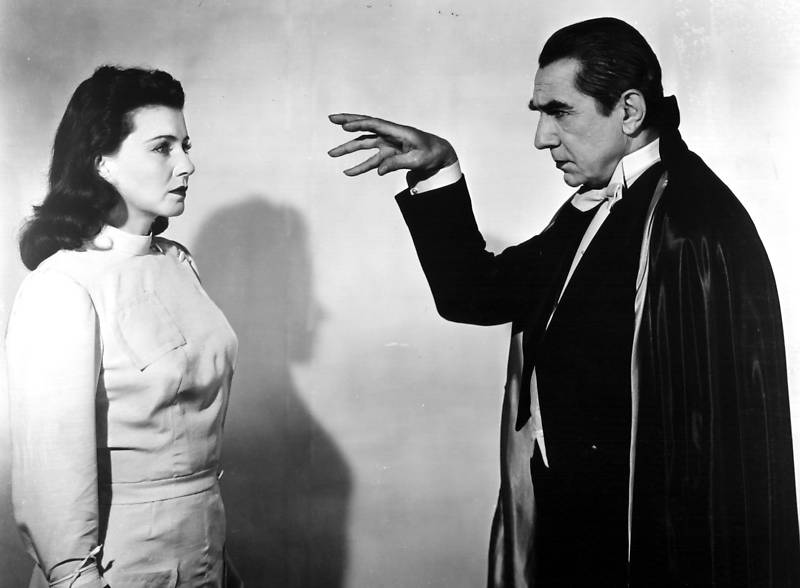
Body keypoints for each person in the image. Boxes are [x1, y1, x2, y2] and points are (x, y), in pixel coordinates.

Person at [329, 17, 800, 587]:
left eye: (560, 112)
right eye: (540, 113)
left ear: (629, 111)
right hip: (565, 533)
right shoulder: (593, 207)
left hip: (642, 552)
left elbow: (709, 467)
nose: (542, 138)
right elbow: (474, 294)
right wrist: (437, 168)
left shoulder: (692, 225)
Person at [5, 66, 240, 587]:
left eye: (185, 145)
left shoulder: (177, 262)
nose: (187, 164)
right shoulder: (64, 285)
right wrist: (75, 578)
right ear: (101, 162)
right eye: (162, 148)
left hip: (204, 549)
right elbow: (50, 478)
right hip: (122, 563)